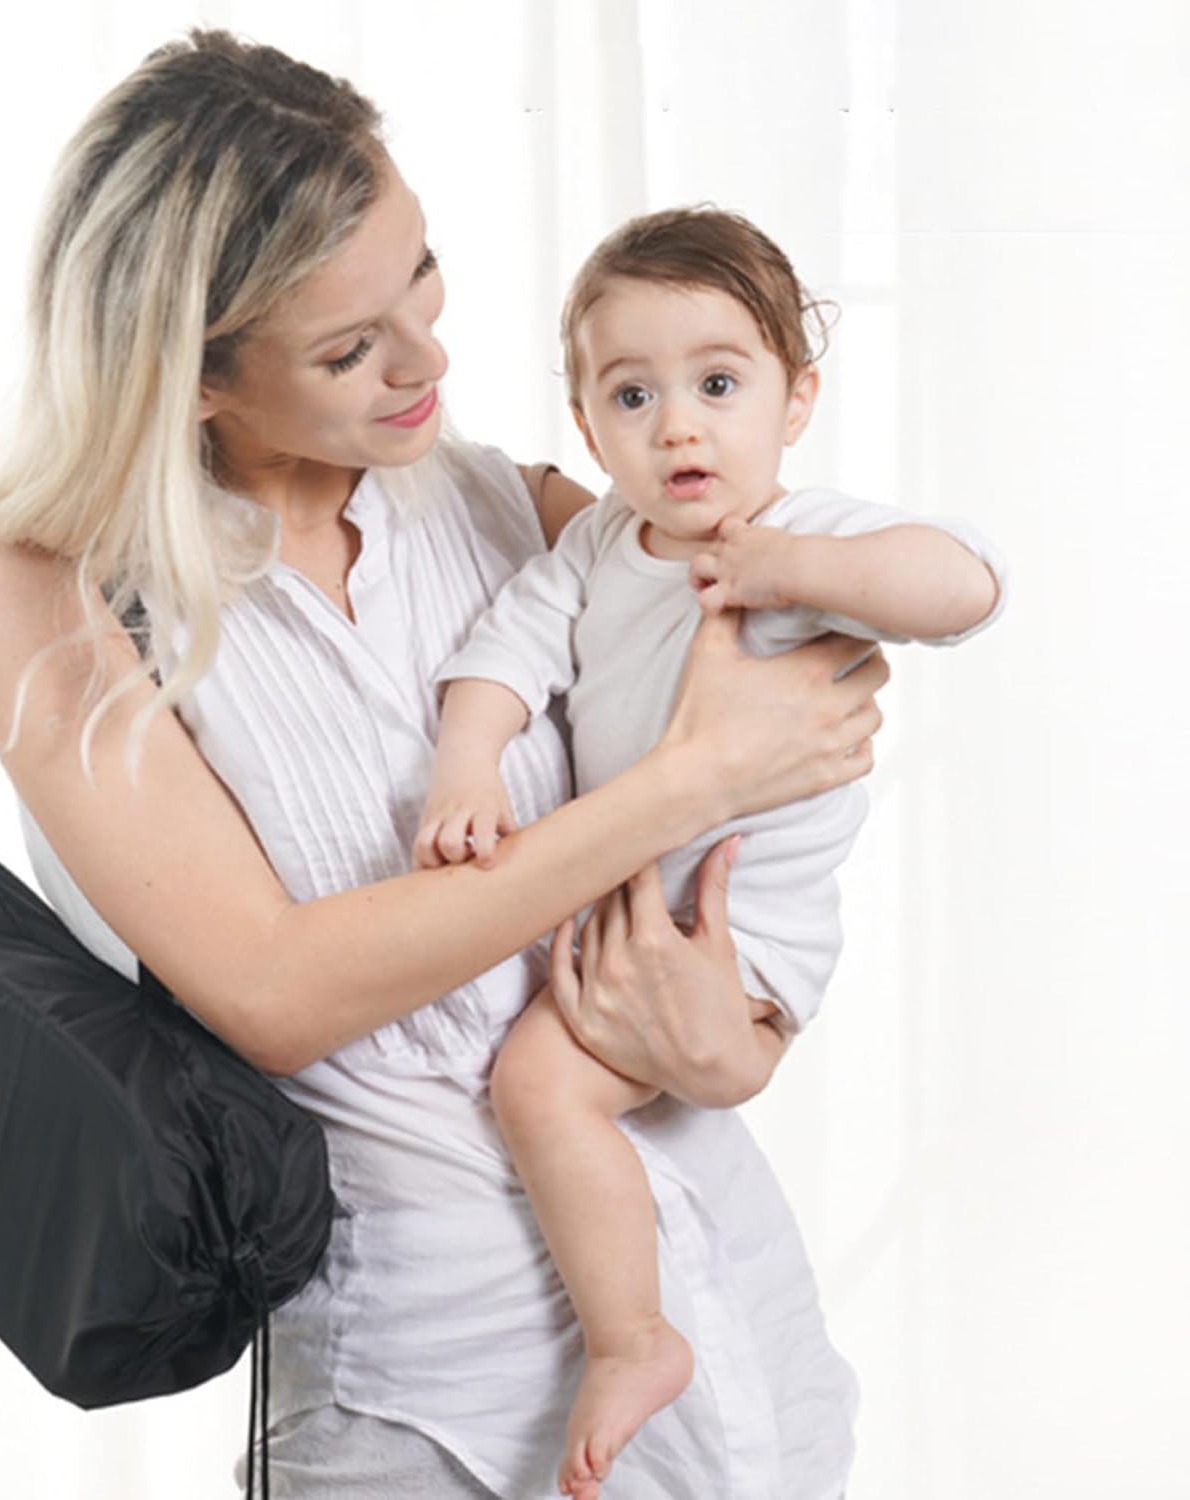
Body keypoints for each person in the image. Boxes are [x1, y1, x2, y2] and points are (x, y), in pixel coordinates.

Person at [0, 30, 889, 1500]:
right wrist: (685, 781)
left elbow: (794, 749)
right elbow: (276, 991)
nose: (428, 357)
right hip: (421, 1410)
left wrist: (739, 1037)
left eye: (420, 274)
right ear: (190, 377)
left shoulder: (508, 506)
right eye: (347, 348)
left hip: (729, 1336)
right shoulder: (38, 578)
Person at [414, 206, 1007, 1497]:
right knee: (540, 1086)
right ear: (587, 428)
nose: (678, 426)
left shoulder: (811, 534)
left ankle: (630, 1339)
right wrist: (467, 765)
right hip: (619, 930)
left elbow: (963, 586)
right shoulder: (594, 545)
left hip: (751, 938)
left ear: (797, 401)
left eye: (719, 385)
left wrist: (804, 566)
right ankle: (638, 1332)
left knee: (543, 1085)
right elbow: (503, 656)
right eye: (634, 395)